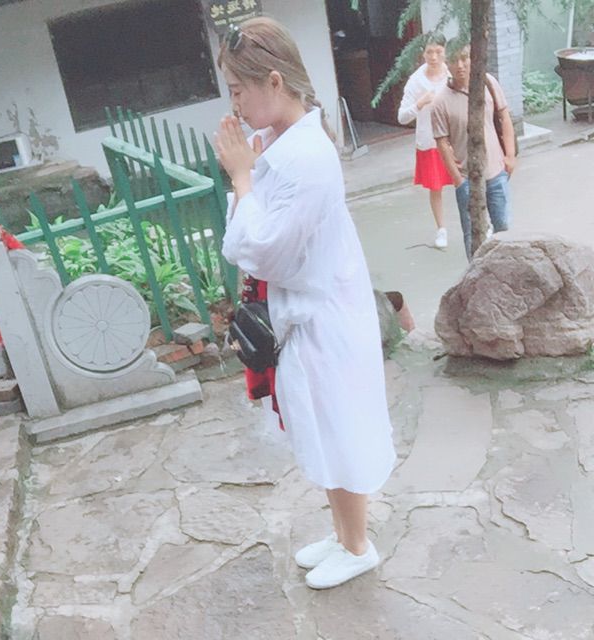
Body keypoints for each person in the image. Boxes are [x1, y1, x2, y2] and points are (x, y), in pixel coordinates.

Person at [215, 17, 396, 590]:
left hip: (323, 317)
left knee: (340, 432)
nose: (235, 104)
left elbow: (265, 252)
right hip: (307, 317)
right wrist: (249, 175)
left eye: (239, 90)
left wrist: (242, 180)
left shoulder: (308, 158)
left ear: (274, 81)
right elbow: (253, 240)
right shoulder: (281, 145)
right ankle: (343, 536)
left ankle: (358, 545)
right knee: (320, 429)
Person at [431, 38, 516, 260]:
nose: (460, 65)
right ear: (446, 63)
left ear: (472, 58)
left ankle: (504, 267)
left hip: (496, 172)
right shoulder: (440, 101)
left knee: (503, 227)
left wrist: (510, 155)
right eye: (454, 60)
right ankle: (475, 271)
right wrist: (457, 178)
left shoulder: (488, 83)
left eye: (464, 58)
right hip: (467, 178)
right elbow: (442, 143)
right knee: (472, 234)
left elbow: (504, 117)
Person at [398, 32, 452, 249]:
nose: (434, 57)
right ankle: (441, 229)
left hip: (454, 138)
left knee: (465, 182)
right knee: (435, 187)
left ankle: (478, 222)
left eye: (438, 51)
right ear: (423, 53)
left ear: (445, 52)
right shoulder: (416, 81)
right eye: (429, 52)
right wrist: (419, 103)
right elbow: (402, 117)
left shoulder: (452, 74)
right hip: (430, 142)